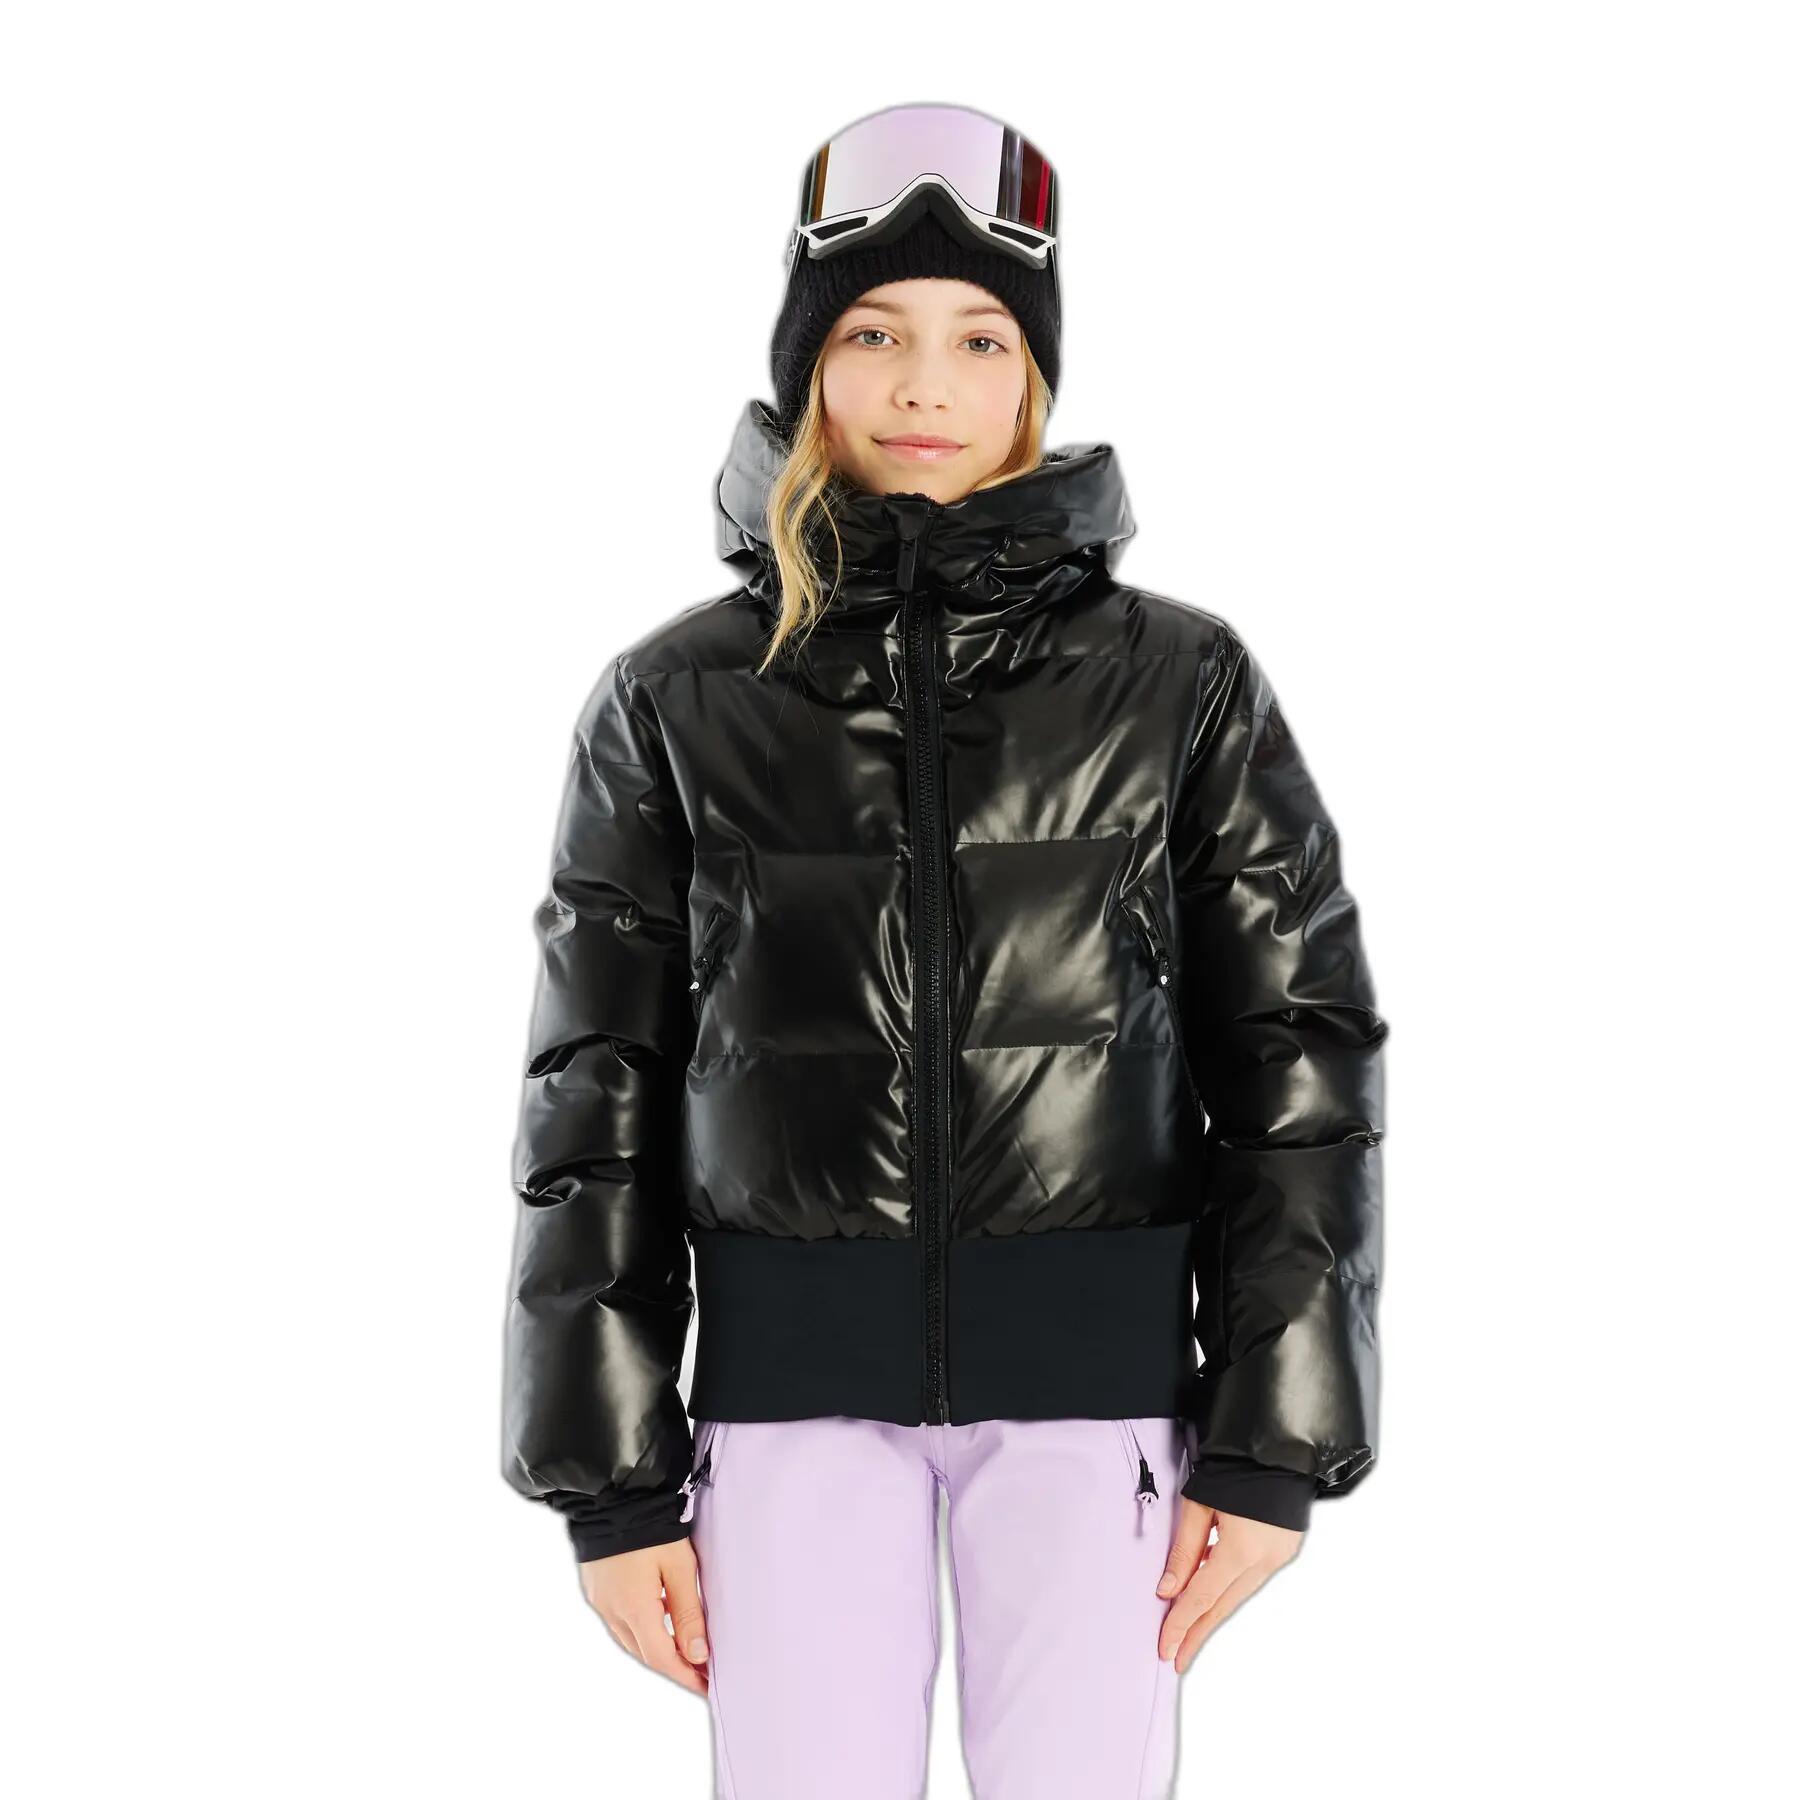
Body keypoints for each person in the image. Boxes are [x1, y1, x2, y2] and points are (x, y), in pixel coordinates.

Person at [499, 102, 1387, 1800]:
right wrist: (609, 1486)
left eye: (981, 339)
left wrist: (1275, 1440)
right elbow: (593, 1088)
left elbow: (1296, 1053)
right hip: (784, 1415)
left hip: (1099, 1410)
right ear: (808, 365)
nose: (925, 385)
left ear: (1033, 377)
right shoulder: (675, 697)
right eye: (873, 334)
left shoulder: (1179, 682)